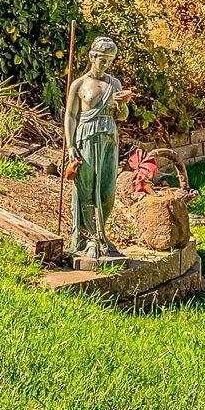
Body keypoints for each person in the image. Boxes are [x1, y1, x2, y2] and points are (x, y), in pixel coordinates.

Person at [62, 36, 131, 261]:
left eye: (110, 60)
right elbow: (71, 115)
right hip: (86, 138)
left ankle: (101, 234)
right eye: (102, 59)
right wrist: (70, 144)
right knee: (87, 190)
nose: (106, 64)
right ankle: (90, 238)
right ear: (92, 57)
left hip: (109, 138)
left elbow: (122, 116)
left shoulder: (114, 84)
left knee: (107, 191)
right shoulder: (79, 84)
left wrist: (122, 104)